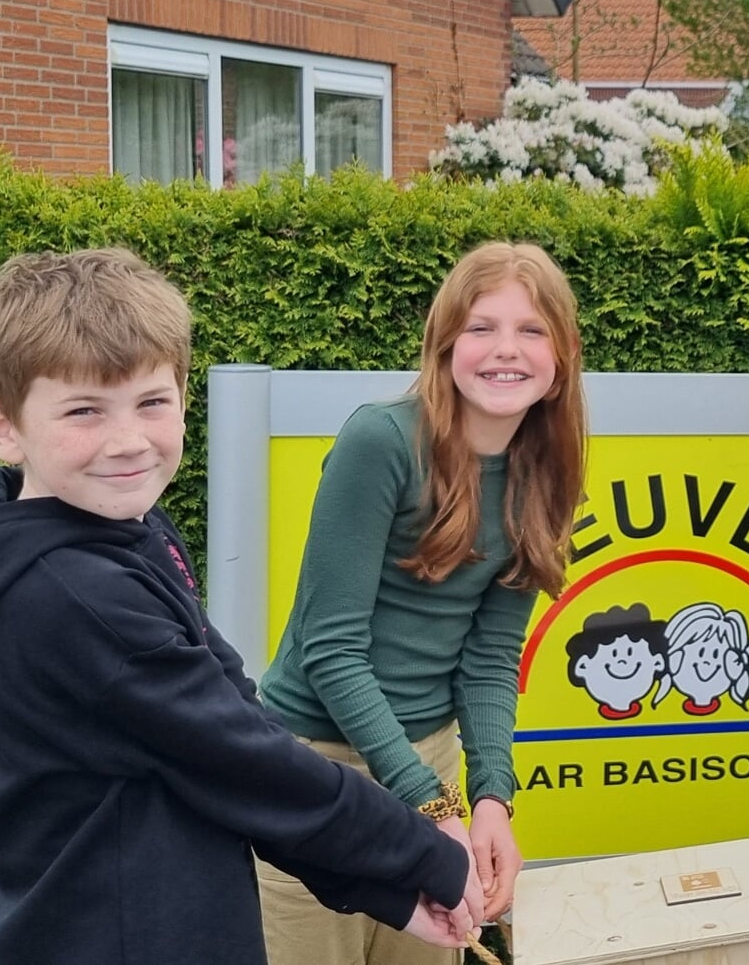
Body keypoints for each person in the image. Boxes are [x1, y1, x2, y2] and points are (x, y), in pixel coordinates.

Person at [0, 248, 473, 965]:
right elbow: (248, 762)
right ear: (4, 426)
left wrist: (390, 892)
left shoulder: (123, 531)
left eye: (152, 402)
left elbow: (225, 732)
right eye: (84, 410)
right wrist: (430, 858)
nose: (129, 442)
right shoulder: (76, 598)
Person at [255, 241, 587, 965]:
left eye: (531, 330)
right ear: (444, 346)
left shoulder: (550, 470)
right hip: (317, 768)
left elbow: (492, 656)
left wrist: (492, 798)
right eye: (481, 328)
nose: (507, 350)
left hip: (427, 758)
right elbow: (331, 648)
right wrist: (434, 808)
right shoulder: (380, 442)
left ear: (562, 354)